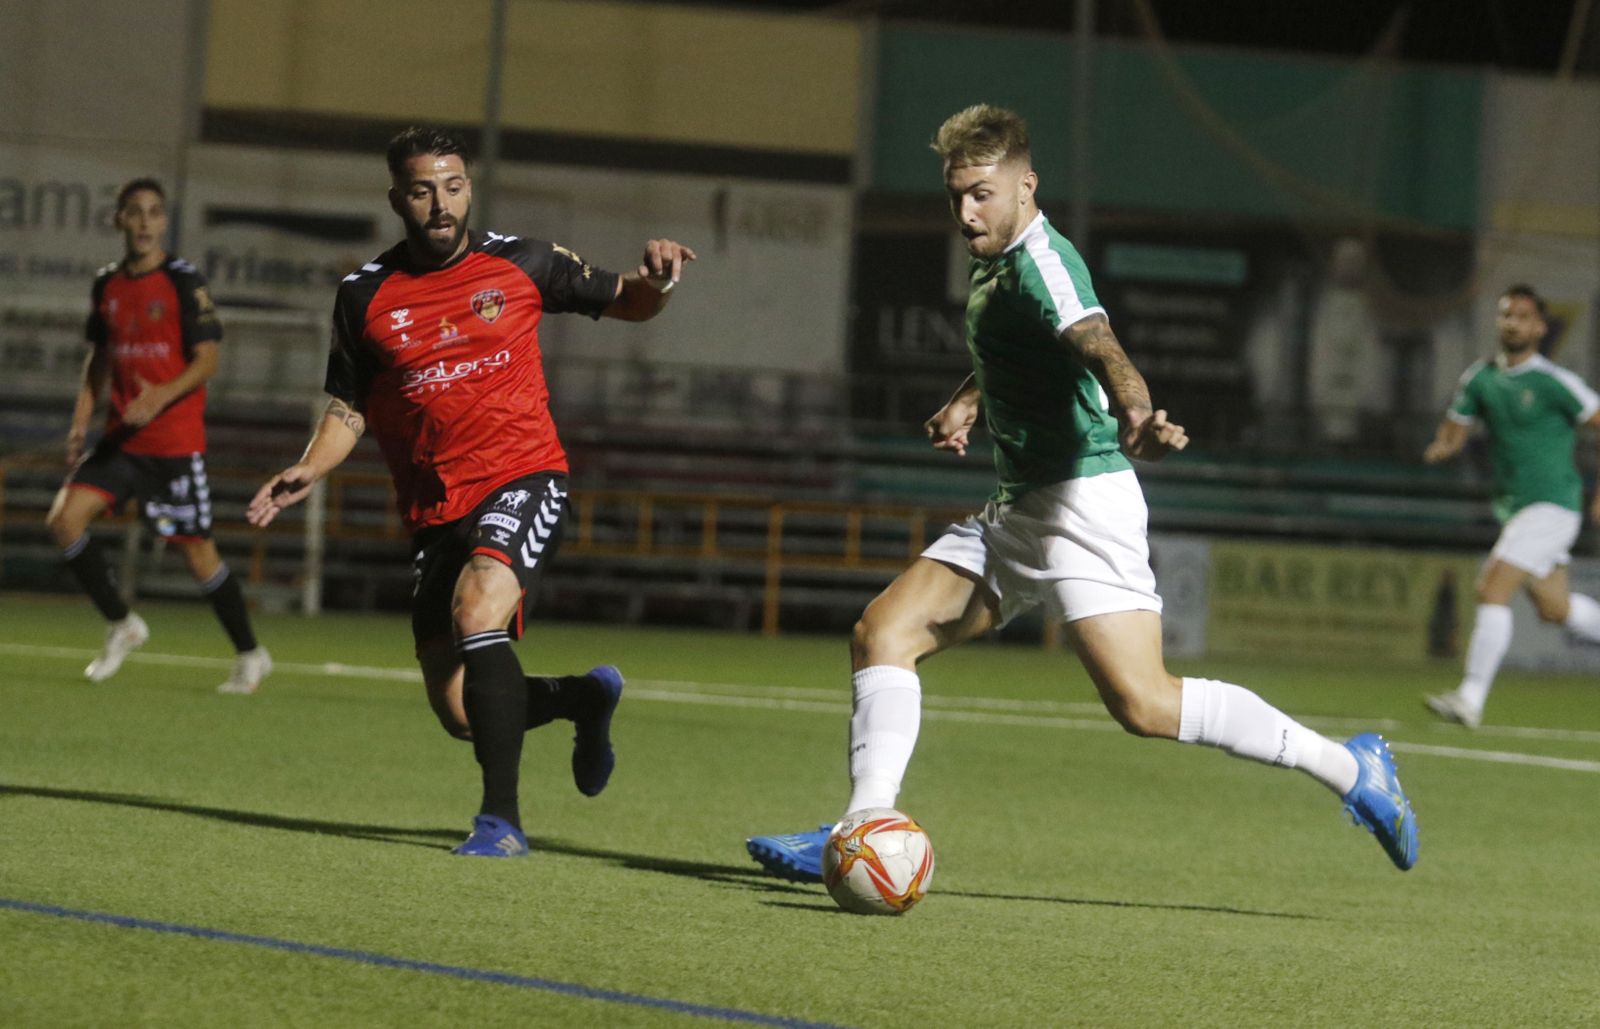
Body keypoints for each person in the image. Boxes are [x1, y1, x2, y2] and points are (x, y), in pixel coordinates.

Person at [746, 104, 1417, 880]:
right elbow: (1022, 345)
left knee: (1147, 704)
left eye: (982, 194)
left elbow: (1095, 340)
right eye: (956, 195)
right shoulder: (997, 256)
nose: (966, 212)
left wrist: (1135, 410)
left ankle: (1352, 768)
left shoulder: (1044, 261)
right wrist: (971, 398)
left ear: (1026, 186)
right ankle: (861, 826)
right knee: (883, 634)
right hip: (1025, 503)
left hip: (1082, 505)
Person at [246, 127, 696, 857]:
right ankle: (583, 697)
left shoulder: (523, 262)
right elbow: (348, 406)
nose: (440, 203)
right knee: (461, 713)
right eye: (422, 190)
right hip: (434, 509)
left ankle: (501, 821)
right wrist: (310, 466)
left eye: (452, 185)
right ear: (398, 198)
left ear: (469, 188)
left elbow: (631, 302)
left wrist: (661, 279)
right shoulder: (363, 295)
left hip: (523, 473)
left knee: (478, 604)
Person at [46, 178, 271, 694]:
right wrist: (82, 419)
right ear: (119, 220)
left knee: (197, 555)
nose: (144, 222)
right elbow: (98, 360)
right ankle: (122, 624)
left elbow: (208, 359)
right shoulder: (107, 285)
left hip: (172, 446)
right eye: (135, 213)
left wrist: (159, 396)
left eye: (153, 213)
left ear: (164, 222)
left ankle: (250, 653)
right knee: (63, 521)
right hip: (121, 441)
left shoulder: (183, 281)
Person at [1421, 285, 1600, 728]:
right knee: (1554, 608)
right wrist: (1445, 446)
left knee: (1493, 587)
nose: (1512, 324)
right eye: (1506, 315)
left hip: (1553, 503)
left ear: (1540, 327)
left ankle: (1470, 698)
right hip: (1516, 508)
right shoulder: (1480, 378)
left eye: (1522, 317)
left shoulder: (1553, 382)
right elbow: (1455, 428)